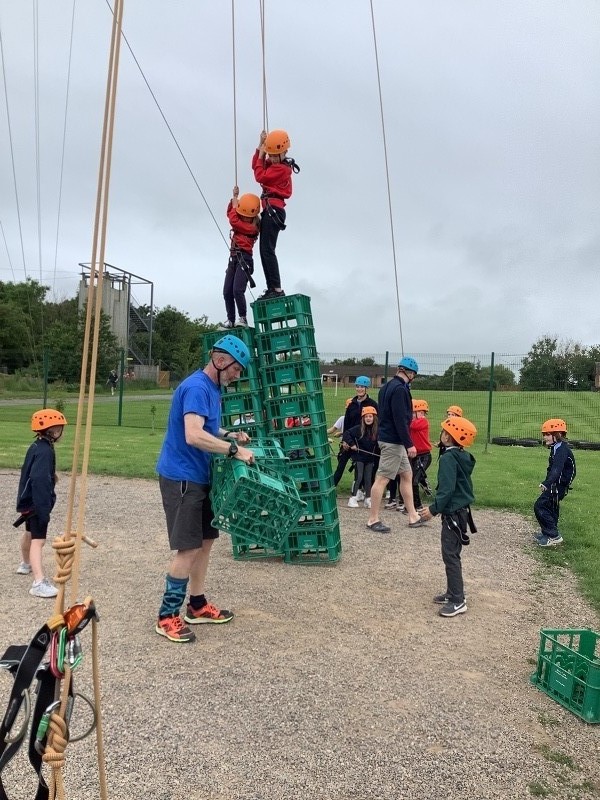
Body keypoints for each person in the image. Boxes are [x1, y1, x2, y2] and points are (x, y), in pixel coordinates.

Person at [155, 334, 256, 643]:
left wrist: (228, 435)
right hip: (182, 477)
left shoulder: (212, 387)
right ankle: (166, 616)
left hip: (199, 475)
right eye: (236, 369)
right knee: (188, 548)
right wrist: (234, 450)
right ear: (220, 360)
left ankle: (196, 605)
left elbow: (207, 426)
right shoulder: (198, 387)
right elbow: (194, 434)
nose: (237, 375)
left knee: (205, 541)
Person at [420, 416, 478, 618]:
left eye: (444, 432)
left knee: (450, 555)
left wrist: (433, 510)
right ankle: (453, 592)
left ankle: (458, 600)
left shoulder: (447, 459)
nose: (441, 434)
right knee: (452, 553)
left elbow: (447, 490)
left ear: (449, 437)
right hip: (460, 511)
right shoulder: (461, 455)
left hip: (453, 512)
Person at [14, 408, 67, 598]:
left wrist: (51, 476)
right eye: (60, 428)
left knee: (29, 533)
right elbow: (38, 479)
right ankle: (38, 582)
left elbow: (32, 472)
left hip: (28, 499)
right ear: (52, 430)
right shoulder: (45, 451)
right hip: (36, 502)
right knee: (39, 540)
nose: (62, 432)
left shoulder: (38, 445)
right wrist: (43, 508)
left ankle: (25, 564)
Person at [366, 357, 422, 532]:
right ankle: (373, 519)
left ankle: (413, 515)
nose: (413, 377)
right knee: (382, 478)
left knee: (406, 475)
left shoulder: (386, 387)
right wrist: (409, 443)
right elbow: (400, 419)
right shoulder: (400, 390)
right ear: (410, 373)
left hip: (391, 438)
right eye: (413, 374)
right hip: (393, 441)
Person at [252, 129, 299, 299]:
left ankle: (276, 289)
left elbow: (260, 176)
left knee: (267, 250)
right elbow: (256, 166)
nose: (271, 158)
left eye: (274, 155)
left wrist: (262, 153)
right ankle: (272, 288)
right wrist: (260, 146)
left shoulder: (281, 169)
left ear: (284, 152)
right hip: (271, 210)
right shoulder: (275, 165)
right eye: (270, 155)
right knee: (265, 250)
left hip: (274, 210)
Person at [220, 187, 260, 329]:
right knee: (227, 291)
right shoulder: (242, 222)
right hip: (234, 259)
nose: (242, 216)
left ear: (252, 216)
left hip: (244, 259)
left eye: (245, 215)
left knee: (237, 290)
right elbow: (230, 214)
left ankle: (242, 318)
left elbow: (233, 220)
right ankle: (230, 320)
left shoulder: (252, 228)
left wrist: (235, 202)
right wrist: (234, 199)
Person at [533, 418, 576, 547]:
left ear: (558, 434)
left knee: (540, 506)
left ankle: (553, 535)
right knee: (551, 507)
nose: (545, 437)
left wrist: (547, 483)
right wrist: (549, 482)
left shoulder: (562, 450)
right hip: (555, 484)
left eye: (548, 434)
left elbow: (557, 469)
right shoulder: (556, 447)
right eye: (544, 434)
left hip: (559, 485)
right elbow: (551, 468)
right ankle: (548, 534)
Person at [333, 377, 378, 488]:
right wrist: (345, 441)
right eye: (357, 386)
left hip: (365, 442)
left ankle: (362, 490)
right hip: (350, 439)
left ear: (366, 388)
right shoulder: (351, 404)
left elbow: (376, 423)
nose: (359, 389)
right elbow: (347, 423)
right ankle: (331, 488)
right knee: (341, 465)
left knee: (364, 467)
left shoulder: (372, 404)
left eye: (362, 387)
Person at [344, 407, 380, 509]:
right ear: (363, 418)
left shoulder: (377, 430)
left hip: (370, 458)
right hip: (359, 457)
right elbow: (346, 434)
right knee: (359, 477)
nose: (368, 418)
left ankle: (368, 499)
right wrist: (352, 444)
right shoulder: (358, 429)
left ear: (374, 418)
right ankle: (353, 498)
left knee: (368, 479)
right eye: (366, 417)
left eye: (370, 416)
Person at [409, 399, 433, 511]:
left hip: (424, 456)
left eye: (414, 412)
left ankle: (417, 505)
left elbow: (412, 425)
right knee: (415, 475)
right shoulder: (414, 421)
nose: (412, 415)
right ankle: (425, 483)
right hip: (414, 455)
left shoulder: (423, 421)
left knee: (414, 480)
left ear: (422, 413)